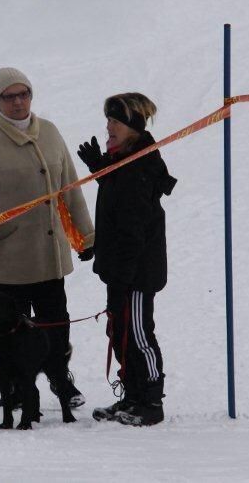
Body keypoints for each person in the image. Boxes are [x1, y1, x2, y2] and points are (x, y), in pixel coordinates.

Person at [0, 67, 95, 408]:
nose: (18, 102)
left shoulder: (49, 132)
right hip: (9, 260)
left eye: (24, 94)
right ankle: (15, 389)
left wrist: (86, 235)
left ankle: (61, 381)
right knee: (10, 331)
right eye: (10, 96)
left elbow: (70, 189)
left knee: (56, 326)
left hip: (50, 256)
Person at [77, 93, 176, 426]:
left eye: (115, 122)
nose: (108, 127)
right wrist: (101, 170)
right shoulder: (125, 159)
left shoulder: (140, 165)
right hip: (120, 269)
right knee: (118, 331)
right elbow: (120, 192)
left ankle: (150, 400)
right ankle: (132, 395)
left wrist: (124, 278)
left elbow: (134, 227)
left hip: (136, 274)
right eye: (107, 120)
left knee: (137, 332)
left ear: (133, 127)